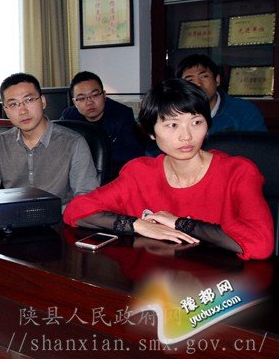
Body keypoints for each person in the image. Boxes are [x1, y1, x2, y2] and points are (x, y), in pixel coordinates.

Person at [63, 78, 274, 260]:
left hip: (217, 286)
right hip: (154, 283)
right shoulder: (139, 173)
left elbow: (260, 244)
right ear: (151, 132)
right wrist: (138, 225)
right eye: (172, 125)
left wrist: (179, 223)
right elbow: (76, 210)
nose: (186, 136)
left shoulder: (238, 172)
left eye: (196, 122)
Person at [0, 73, 99, 206]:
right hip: (14, 217)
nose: (23, 111)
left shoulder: (73, 143)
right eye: (13, 104)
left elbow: (86, 199)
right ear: (6, 111)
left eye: (29, 100)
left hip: (60, 218)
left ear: (43, 102)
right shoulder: (0, 144)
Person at [61, 71, 143, 173]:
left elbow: (134, 153)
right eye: (81, 98)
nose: (89, 102)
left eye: (95, 95)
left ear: (104, 95)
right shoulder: (69, 117)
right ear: (74, 102)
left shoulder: (122, 114)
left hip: (113, 171)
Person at [176, 54, 267, 135]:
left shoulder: (243, 111)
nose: (198, 84)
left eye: (204, 76)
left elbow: (258, 147)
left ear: (217, 80)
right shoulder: (174, 115)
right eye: (190, 80)